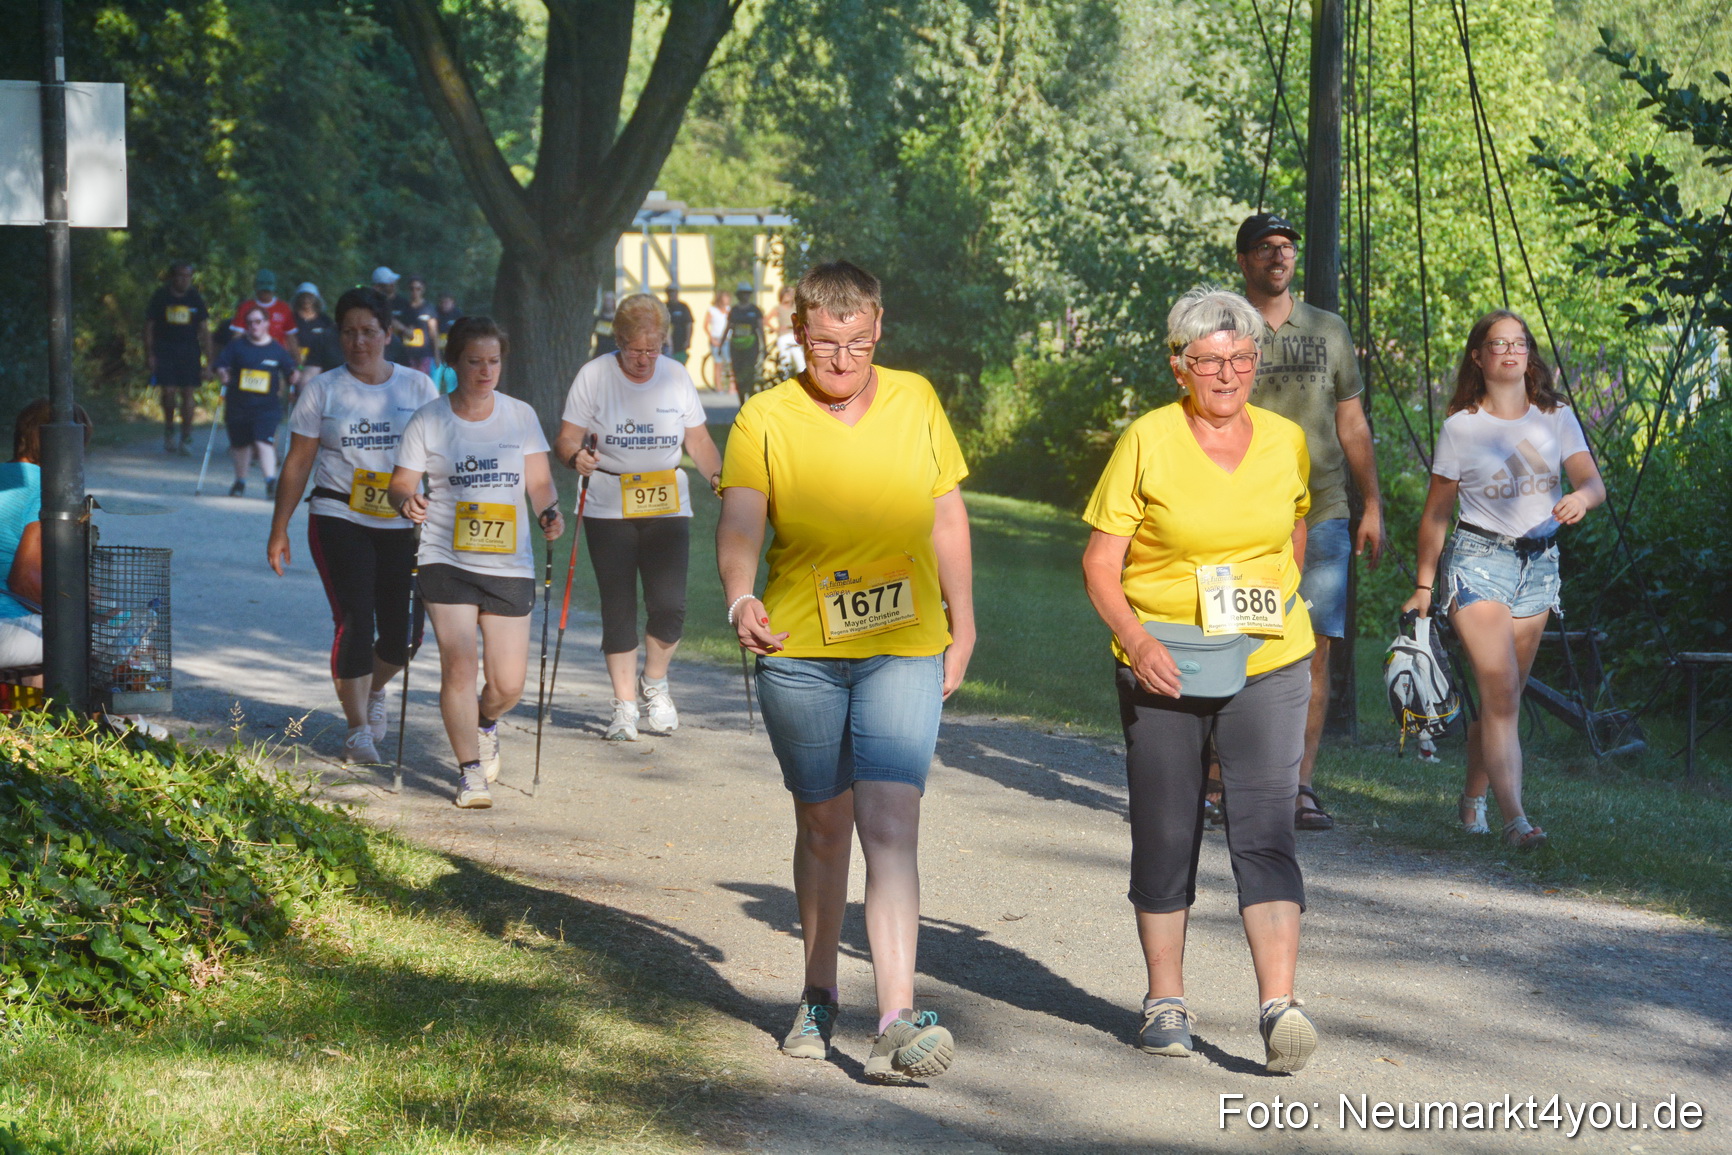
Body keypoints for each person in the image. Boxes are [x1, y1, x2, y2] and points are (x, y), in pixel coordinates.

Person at [716, 260, 974, 1084]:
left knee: (891, 820)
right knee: (825, 825)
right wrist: (738, 597)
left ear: (879, 330)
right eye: (826, 343)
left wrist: (963, 624)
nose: (841, 359)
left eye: (857, 343)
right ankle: (819, 990)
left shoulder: (916, 399)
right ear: (800, 333)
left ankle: (897, 1013)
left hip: (904, 639)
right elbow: (740, 522)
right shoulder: (764, 417)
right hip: (800, 650)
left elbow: (945, 514)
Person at [1080, 285, 1319, 1073]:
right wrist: (1136, 639)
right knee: (1167, 825)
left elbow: (1294, 528)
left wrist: (1279, 608)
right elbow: (1099, 564)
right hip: (1166, 658)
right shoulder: (1147, 440)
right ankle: (1166, 999)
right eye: (1209, 360)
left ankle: (1280, 1005)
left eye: (1242, 358)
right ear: (1178, 365)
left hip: (1268, 655)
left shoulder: (1285, 439)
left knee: (1267, 824)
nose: (1227, 374)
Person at [1402, 310, 1604, 851]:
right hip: (1478, 561)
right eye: (1498, 343)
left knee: (1504, 699)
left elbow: (1591, 481)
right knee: (1502, 694)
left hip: (1539, 565)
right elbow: (1437, 514)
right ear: (1479, 356)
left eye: (1520, 343)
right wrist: (1424, 587)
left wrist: (1580, 498)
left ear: (1529, 354)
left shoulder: (1554, 416)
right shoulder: (1461, 427)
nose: (1511, 352)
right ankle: (1517, 820)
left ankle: (1472, 797)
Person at [1236, 212, 1384, 832]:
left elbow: (1351, 423)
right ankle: (1225, 783)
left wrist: (1372, 504)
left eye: (1288, 247)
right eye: (1266, 248)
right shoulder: (1224, 325)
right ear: (1243, 260)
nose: (1279, 256)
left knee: (1312, 653)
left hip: (1322, 510)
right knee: (1235, 644)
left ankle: (1299, 787)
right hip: (1240, 515)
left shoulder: (1328, 329)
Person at [389, 317, 563, 810]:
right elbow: (400, 483)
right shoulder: (429, 419)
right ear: (453, 362)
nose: (486, 371)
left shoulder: (520, 415)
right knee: (459, 664)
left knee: (507, 684)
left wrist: (549, 511)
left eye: (494, 361)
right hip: (446, 556)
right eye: (474, 361)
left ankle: (486, 722)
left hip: (508, 563)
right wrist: (407, 500)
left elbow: (540, 482)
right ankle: (469, 773)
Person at [267, 287, 438, 764]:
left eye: (368, 332)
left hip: (402, 523)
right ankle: (357, 728)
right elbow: (298, 463)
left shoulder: (417, 387)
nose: (358, 342)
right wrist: (279, 527)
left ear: (388, 334)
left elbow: (441, 456)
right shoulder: (322, 389)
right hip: (339, 515)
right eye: (349, 332)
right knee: (357, 622)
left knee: (405, 635)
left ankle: (372, 690)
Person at [555, 294, 723, 740]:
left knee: (669, 604)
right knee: (619, 605)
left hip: (665, 499)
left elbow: (699, 442)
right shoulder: (594, 376)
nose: (645, 359)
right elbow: (566, 438)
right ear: (619, 341)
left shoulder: (676, 376)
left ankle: (656, 684)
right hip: (609, 501)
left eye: (653, 349)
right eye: (635, 350)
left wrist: (719, 478)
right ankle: (625, 706)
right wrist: (576, 458)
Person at [0, 399, 94, 679]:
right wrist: (84, 607)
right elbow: (24, 580)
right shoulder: (45, 489)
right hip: (7, 628)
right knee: (120, 629)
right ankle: (117, 719)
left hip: (13, 627)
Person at [213, 305, 296, 498]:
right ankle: (240, 482)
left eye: (258, 321)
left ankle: (271, 483)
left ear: (266, 323)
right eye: (249, 322)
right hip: (238, 405)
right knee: (240, 444)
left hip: (266, 407)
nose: (254, 326)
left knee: (263, 441)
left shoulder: (277, 349)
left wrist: (294, 376)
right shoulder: (236, 346)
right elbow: (220, 364)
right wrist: (223, 373)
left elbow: (291, 370)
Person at [143, 260, 213, 455]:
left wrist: (209, 361)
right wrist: (150, 354)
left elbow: (204, 330)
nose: (184, 280)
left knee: (188, 393)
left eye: (188, 276)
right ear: (173, 277)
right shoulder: (161, 296)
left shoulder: (194, 298)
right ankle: (169, 429)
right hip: (165, 350)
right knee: (169, 392)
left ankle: (186, 436)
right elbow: (149, 327)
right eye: (180, 276)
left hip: (189, 351)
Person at [228, 269, 298, 358]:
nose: (265, 293)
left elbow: (291, 339)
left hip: (277, 356)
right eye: (262, 290)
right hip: (251, 354)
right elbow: (237, 336)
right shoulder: (246, 307)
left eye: (268, 290)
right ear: (256, 289)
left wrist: (299, 365)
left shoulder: (284, 308)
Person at [291, 283, 342, 383]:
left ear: (316, 299)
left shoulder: (325, 320)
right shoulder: (291, 319)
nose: (306, 300)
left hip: (318, 364)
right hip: (293, 363)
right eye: (303, 296)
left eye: (310, 297)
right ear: (298, 298)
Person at [726, 282, 766, 399]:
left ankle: (750, 398)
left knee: (749, 372)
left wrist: (765, 345)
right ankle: (741, 400)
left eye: (747, 293)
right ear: (739, 295)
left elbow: (761, 328)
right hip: (736, 346)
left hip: (751, 346)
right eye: (743, 294)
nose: (745, 296)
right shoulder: (734, 310)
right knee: (738, 373)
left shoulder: (755, 310)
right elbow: (728, 327)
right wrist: (721, 345)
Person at [395, 275, 440, 375]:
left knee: (422, 384)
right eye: (412, 289)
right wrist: (404, 329)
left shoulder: (429, 308)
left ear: (423, 289)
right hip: (406, 354)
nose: (415, 292)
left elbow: (434, 332)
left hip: (425, 354)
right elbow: (392, 321)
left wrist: (437, 356)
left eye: (418, 288)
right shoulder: (403, 307)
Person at [371, 266, 410, 366]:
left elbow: (411, 327)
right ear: (378, 286)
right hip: (378, 349)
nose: (393, 285)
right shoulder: (370, 302)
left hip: (400, 350)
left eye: (393, 281)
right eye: (389, 282)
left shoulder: (403, 302)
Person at [706, 289, 732, 390]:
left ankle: (732, 387)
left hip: (727, 338)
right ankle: (719, 387)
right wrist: (711, 338)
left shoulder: (729, 310)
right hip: (716, 338)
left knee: (730, 363)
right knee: (718, 363)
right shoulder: (712, 310)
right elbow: (705, 325)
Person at [664, 288, 694, 364]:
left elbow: (689, 324)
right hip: (667, 343)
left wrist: (688, 340)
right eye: (670, 294)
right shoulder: (664, 307)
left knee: (680, 363)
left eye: (673, 293)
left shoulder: (683, 307)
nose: (672, 296)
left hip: (681, 341)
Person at [592, 290, 618, 359]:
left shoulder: (619, 320)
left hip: (615, 355)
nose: (608, 302)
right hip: (600, 354)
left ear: (614, 302)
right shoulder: (597, 320)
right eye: (606, 300)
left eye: (610, 300)